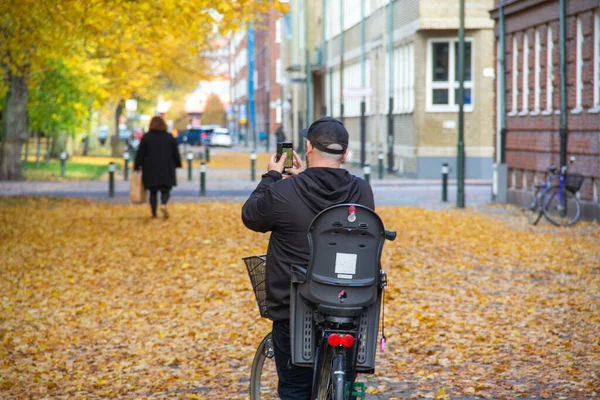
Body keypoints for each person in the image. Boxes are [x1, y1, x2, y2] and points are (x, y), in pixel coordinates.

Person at [241, 116, 374, 399]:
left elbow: (251, 216)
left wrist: (272, 177)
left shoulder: (283, 192)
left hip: (295, 305)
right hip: (349, 302)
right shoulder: (362, 190)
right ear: (346, 153)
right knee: (348, 387)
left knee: (295, 388)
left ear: (308, 148)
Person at [134, 116, 182, 219]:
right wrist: (178, 164)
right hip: (167, 168)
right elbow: (175, 153)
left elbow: (140, 153)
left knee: (153, 192)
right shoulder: (169, 137)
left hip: (151, 168)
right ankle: (164, 203)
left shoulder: (147, 137)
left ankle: (154, 214)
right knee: (166, 189)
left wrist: (137, 165)